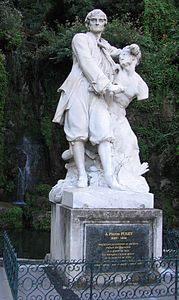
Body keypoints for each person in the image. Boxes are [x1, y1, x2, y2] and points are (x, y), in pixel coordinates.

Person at [53, 9, 124, 189]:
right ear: (88, 22)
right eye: (94, 19)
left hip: (98, 94)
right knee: (78, 133)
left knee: (104, 133)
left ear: (105, 23)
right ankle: (81, 176)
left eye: (101, 19)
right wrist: (108, 85)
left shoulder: (104, 45)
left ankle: (109, 177)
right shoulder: (80, 39)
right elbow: (87, 63)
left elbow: (117, 53)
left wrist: (131, 50)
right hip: (79, 88)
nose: (98, 22)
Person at [109, 43, 150, 192]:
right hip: (104, 110)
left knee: (131, 142)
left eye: (125, 55)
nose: (121, 57)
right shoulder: (114, 70)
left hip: (120, 115)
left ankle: (128, 176)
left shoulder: (141, 85)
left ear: (134, 58)